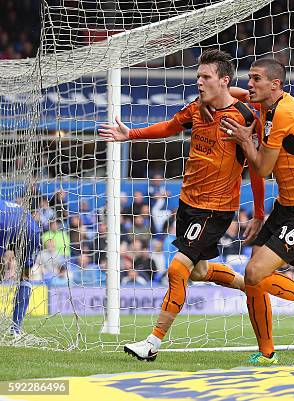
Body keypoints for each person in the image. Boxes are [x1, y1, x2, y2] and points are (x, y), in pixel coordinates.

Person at [98, 49, 265, 361]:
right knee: (198, 271)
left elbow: (255, 168)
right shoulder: (197, 109)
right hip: (188, 204)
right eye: (198, 76)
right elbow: (170, 126)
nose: (199, 82)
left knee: (177, 270)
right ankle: (252, 286)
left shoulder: (243, 118)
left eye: (206, 77)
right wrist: (130, 134)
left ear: (223, 80)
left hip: (216, 209)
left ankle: (152, 343)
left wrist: (258, 212)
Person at [218, 58, 294, 365]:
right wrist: (221, 90)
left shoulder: (284, 113)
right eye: (249, 78)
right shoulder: (269, 105)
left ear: (275, 84)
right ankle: (267, 353)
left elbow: (263, 168)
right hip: (285, 204)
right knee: (252, 278)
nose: (250, 83)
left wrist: (244, 139)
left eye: (255, 79)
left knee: (254, 273)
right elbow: (240, 94)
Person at [0, 199, 41, 336]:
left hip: (2, 224)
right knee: (25, 276)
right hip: (32, 230)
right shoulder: (14, 206)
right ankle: (15, 329)